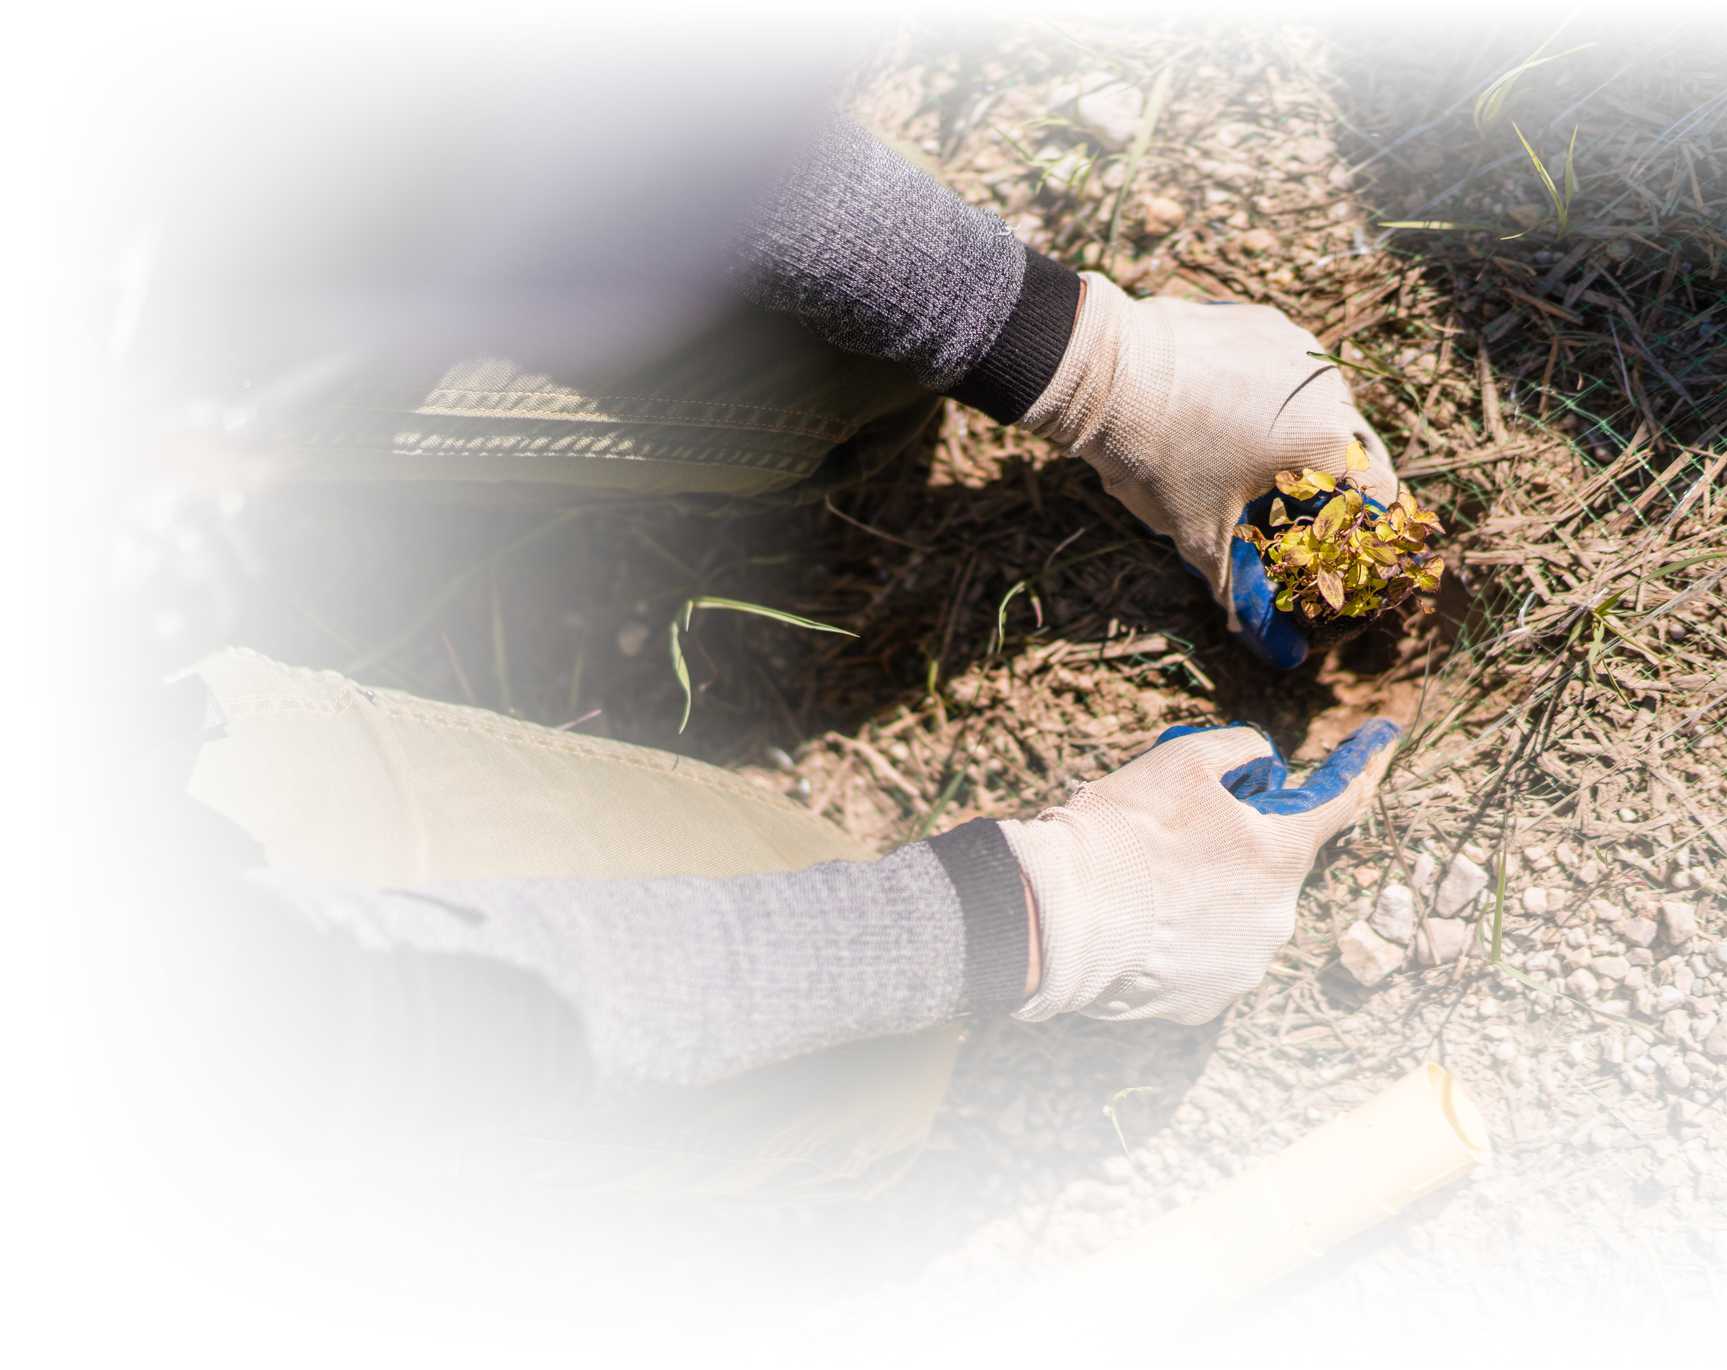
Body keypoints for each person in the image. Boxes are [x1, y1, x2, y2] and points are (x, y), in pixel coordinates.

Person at [107, 43, 1405, 1193]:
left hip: (119, 420)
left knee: (802, 355)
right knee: (850, 1069)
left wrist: (1085, 359)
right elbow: (288, 1042)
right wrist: (1038, 917)